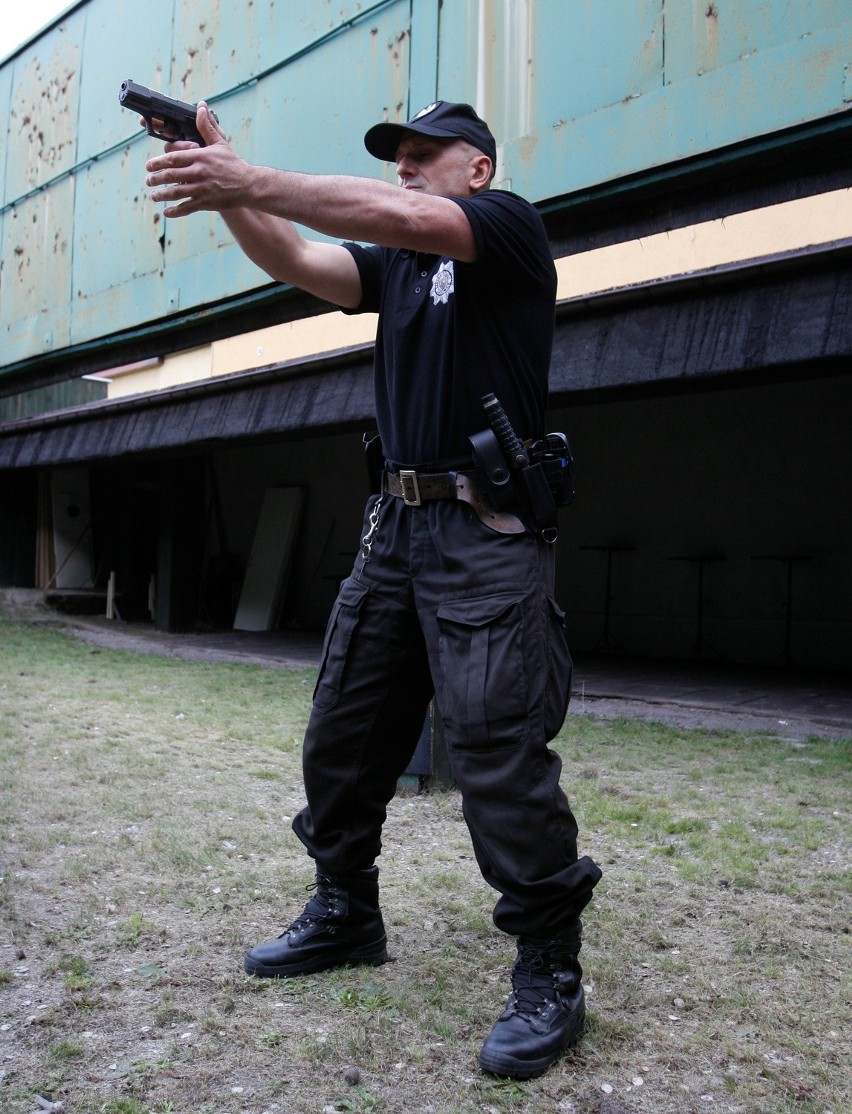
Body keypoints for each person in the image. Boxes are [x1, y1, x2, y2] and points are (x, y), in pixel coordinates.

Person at [144, 98, 602, 1080]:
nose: (405, 168)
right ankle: (347, 908)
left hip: (485, 529)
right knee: (344, 730)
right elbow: (302, 259)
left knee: (495, 747)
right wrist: (228, 176)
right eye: (396, 157)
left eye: (424, 154)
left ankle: (549, 965)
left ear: (476, 170)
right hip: (395, 525)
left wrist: (249, 177)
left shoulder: (507, 228)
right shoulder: (397, 269)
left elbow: (400, 219)